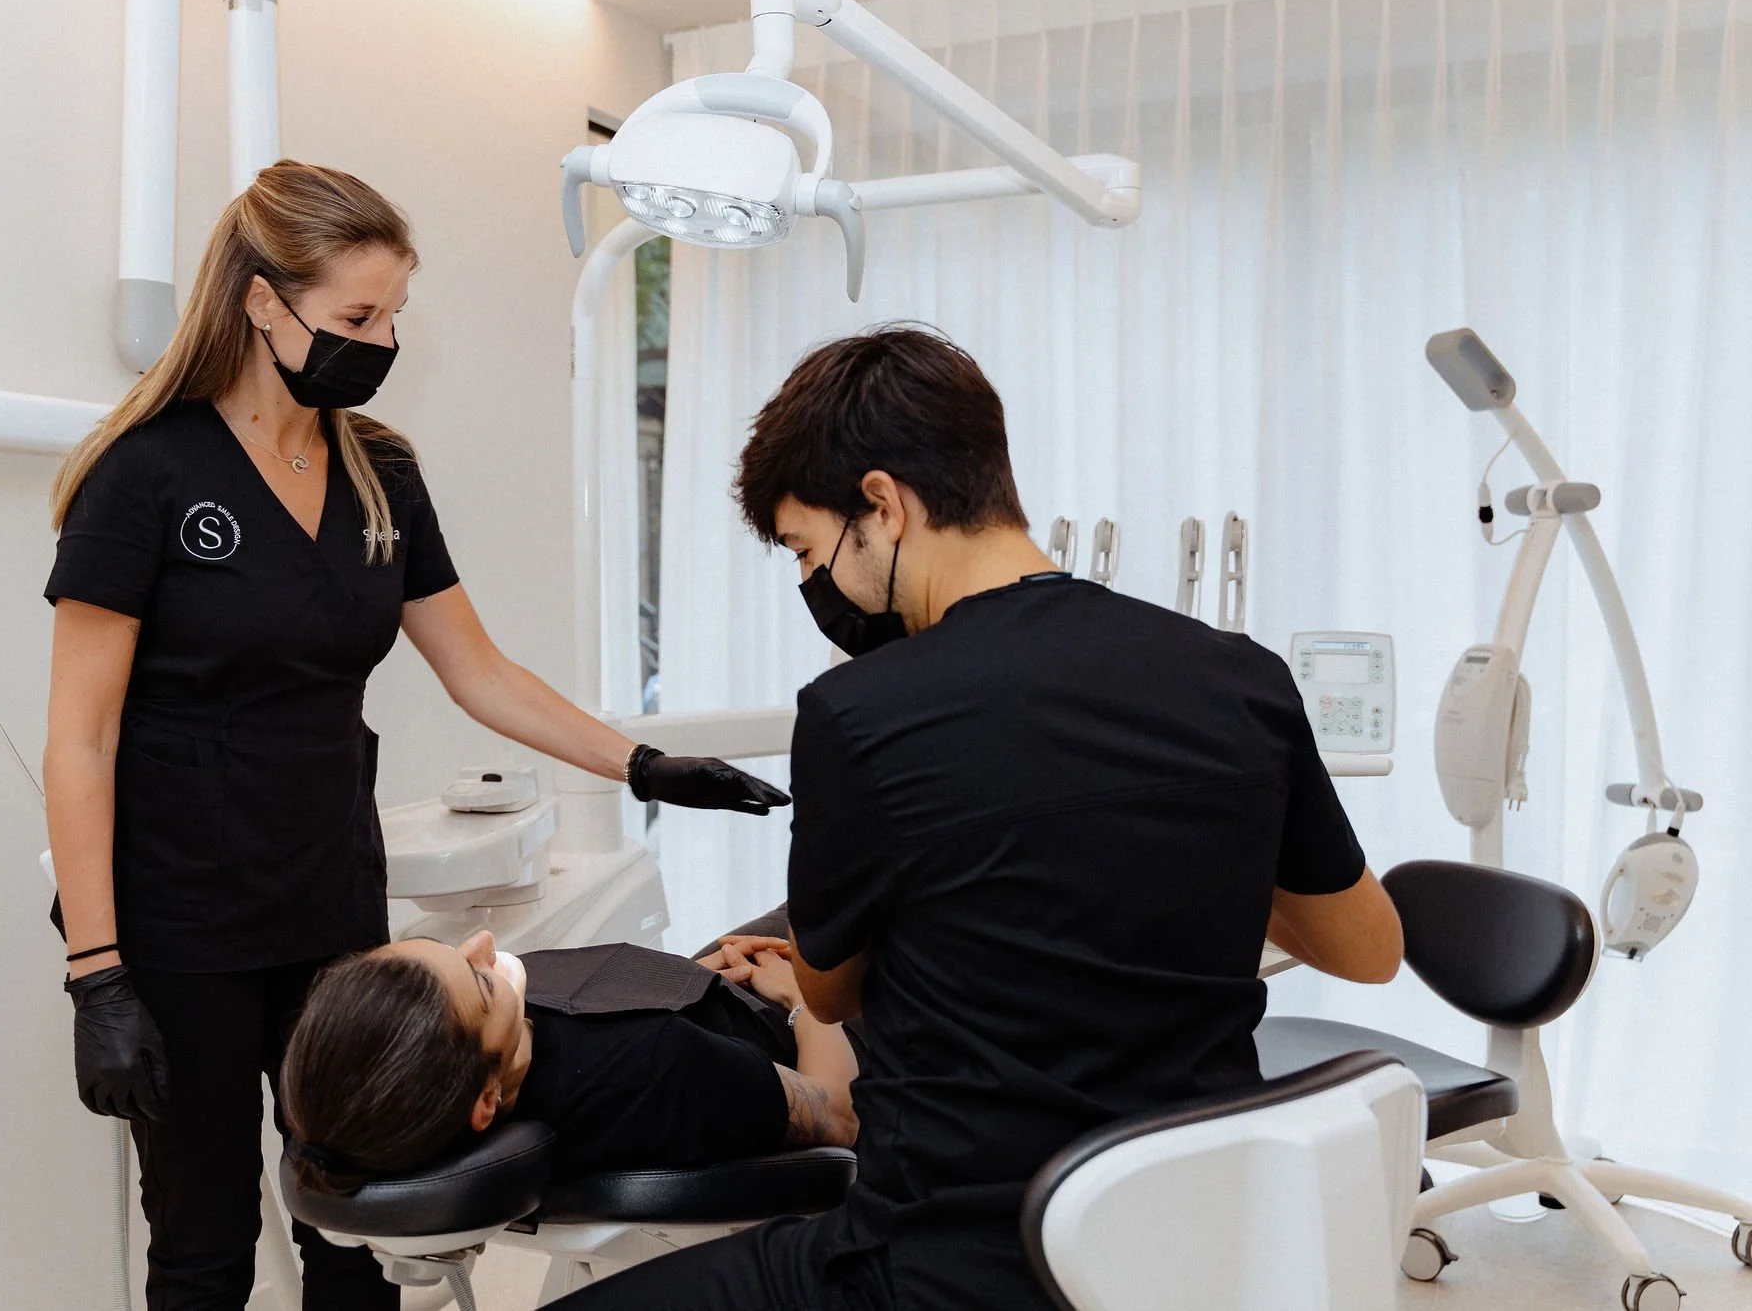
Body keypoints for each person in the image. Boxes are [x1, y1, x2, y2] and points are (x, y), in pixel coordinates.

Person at [40, 160, 789, 1311]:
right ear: (259, 302)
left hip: (332, 914)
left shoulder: (376, 470)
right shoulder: (144, 475)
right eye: (355, 316)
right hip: (177, 922)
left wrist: (641, 765)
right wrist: (97, 976)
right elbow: (79, 741)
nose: (379, 340)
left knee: (362, 1233)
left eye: (391, 316)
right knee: (204, 1243)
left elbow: (478, 671)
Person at [547, 324, 1405, 1311]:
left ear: (881, 503)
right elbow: (1366, 946)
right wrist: (1176, 843)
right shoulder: (1238, 679)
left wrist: (800, 962)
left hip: (949, 1264)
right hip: (1190, 1252)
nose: (807, 586)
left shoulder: (858, 715)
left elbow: (828, 996)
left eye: (804, 550)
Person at [280, 927, 858, 1193]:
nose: (483, 943)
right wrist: (804, 999)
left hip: (713, 994)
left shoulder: (492, 1063)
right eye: (480, 984)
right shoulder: (660, 1064)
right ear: (485, 1100)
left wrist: (683, 982)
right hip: (840, 1036)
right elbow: (837, 1116)